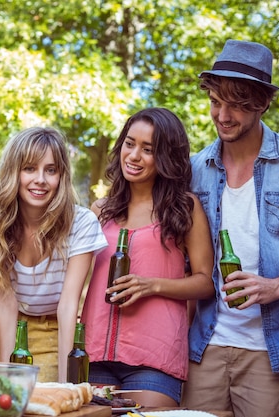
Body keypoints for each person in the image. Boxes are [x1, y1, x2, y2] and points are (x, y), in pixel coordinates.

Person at [181, 40, 279, 416]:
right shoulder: (193, 169)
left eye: (238, 105)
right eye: (215, 101)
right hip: (204, 348)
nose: (223, 115)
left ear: (262, 103)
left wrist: (276, 286)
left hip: (271, 355)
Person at [81, 107, 215, 407]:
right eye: (130, 144)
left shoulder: (184, 208)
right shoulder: (100, 211)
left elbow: (206, 282)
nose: (134, 156)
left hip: (154, 359)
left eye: (148, 149)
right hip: (95, 355)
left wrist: (151, 285)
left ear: (165, 156)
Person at [0, 126, 108, 382]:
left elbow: (68, 304)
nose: (41, 180)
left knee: (45, 401)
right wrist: (6, 375)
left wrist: (68, 385)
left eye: (51, 170)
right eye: (29, 168)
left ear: (62, 175)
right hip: (0, 325)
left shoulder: (82, 223)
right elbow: (4, 299)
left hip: (52, 328)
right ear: (14, 171)